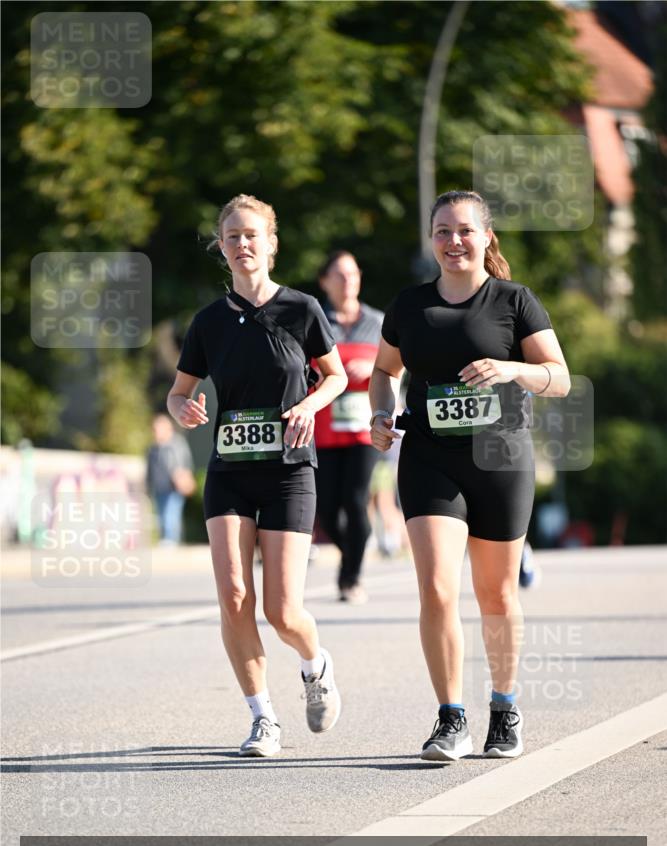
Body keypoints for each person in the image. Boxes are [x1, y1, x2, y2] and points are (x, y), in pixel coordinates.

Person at [369, 190, 570, 763]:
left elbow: (560, 378)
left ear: (486, 238)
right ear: (431, 239)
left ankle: (504, 710)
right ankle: (450, 716)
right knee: (436, 589)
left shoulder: (514, 301)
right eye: (442, 231)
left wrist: (510, 367)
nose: (453, 241)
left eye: (464, 231)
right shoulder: (409, 305)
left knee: (496, 593)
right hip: (431, 457)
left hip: (501, 460)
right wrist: (381, 415)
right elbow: (383, 372)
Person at [167, 194, 348, 758]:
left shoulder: (301, 309)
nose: (242, 245)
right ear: (221, 248)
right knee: (234, 595)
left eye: (251, 235)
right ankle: (263, 717)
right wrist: (185, 409)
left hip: (291, 470)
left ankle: (315, 665)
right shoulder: (209, 322)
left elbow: (337, 377)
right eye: (231, 237)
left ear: (271, 242)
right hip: (229, 470)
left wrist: (310, 405)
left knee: (283, 610)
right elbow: (178, 393)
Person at [314, 251, 383, 603]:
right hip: (323, 429)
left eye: (353, 274)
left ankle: (350, 577)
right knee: (326, 508)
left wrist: (370, 367)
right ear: (324, 281)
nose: (348, 281)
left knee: (356, 502)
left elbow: (399, 367)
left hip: (364, 429)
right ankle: (353, 549)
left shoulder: (378, 322)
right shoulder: (315, 321)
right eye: (340, 275)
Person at [146, 414, 195, 545]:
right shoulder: (153, 448)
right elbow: (149, 470)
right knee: (161, 514)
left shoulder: (177, 444)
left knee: (171, 513)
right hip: (159, 487)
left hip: (174, 486)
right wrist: (148, 486)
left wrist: (182, 477)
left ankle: (171, 539)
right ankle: (167, 538)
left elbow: (185, 462)